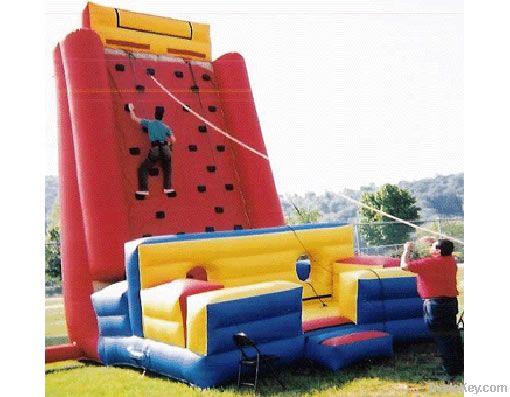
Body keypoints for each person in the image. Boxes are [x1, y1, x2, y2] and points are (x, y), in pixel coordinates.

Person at [401, 237, 464, 379]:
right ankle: (459, 365)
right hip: (450, 303)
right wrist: (434, 242)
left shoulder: (429, 263)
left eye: (433, 247)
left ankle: (451, 370)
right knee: (452, 335)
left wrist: (407, 250)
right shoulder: (451, 261)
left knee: (442, 338)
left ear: (437, 251)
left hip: (436, 305)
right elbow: (442, 251)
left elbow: (404, 265)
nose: (430, 249)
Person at [128, 103, 176, 196]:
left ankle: (144, 189)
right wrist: (168, 144)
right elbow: (173, 140)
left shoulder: (149, 123)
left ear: (155, 114)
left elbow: (134, 118)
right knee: (167, 168)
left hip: (155, 150)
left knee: (143, 168)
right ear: (162, 115)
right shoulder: (166, 127)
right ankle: (168, 188)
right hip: (165, 149)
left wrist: (131, 109)